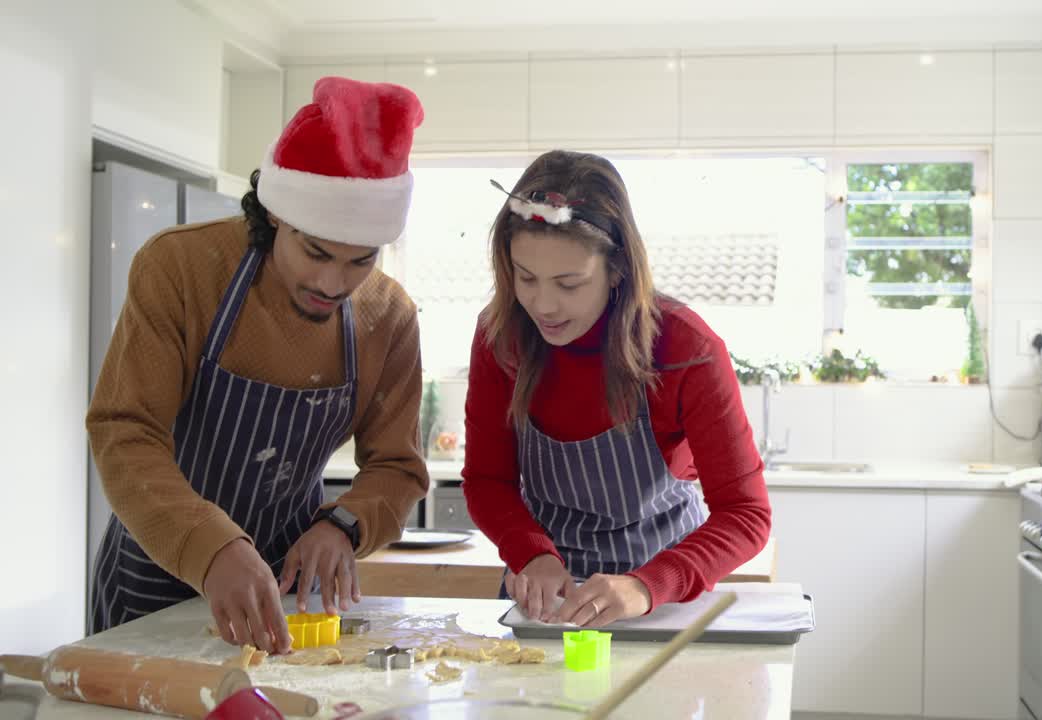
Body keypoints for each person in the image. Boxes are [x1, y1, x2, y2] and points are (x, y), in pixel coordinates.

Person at [87, 76, 429, 654]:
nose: (331, 283)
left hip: (287, 589)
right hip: (155, 568)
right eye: (314, 251)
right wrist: (212, 547)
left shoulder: (388, 317)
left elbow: (396, 467)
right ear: (274, 215)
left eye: (359, 261)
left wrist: (342, 526)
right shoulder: (182, 268)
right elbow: (125, 432)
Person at [462, 150, 772, 627]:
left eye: (569, 283)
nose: (543, 305)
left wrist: (649, 585)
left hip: (661, 598)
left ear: (618, 269)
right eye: (526, 277)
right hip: (544, 601)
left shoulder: (686, 348)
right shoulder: (500, 337)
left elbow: (746, 514)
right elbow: (488, 481)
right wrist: (531, 554)